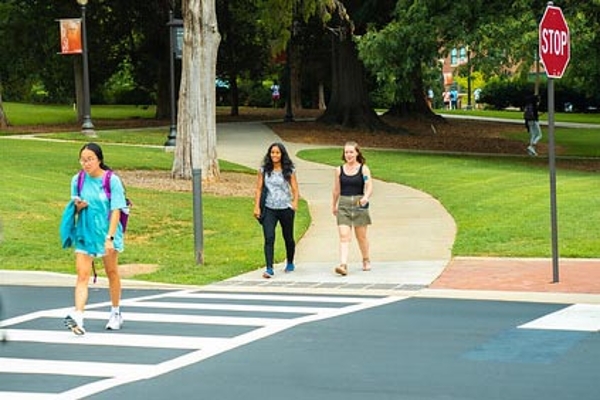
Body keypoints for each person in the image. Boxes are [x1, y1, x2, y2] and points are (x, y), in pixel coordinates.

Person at [60, 143, 128, 335]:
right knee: (82, 274)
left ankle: (116, 312)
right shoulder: (78, 179)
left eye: (89, 159)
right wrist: (78, 206)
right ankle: (78, 316)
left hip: (107, 232)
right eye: (83, 159)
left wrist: (110, 237)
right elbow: (74, 205)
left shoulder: (111, 180)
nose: (86, 163)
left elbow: (116, 209)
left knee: (111, 271)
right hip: (85, 232)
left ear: (99, 159)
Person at [254, 142, 299, 279]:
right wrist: (256, 206)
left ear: (282, 154)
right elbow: (259, 189)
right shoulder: (264, 170)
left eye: (277, 153)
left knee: (288, 237)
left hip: (285, 207)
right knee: (269, 237)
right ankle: (269, 268)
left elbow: (295, 188)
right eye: (272, 152)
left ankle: (290, 261)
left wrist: (294, 203)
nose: (274, 155)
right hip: (269, 208)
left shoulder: (289, 169)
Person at [332, 141, 373, 276]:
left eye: (351, 152)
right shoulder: (339, 170)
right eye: (346, 152)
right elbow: (336, 189)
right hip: (344, 204)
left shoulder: (363, 169)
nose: (348, 154)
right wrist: (334, 204)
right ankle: (343, 264)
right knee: (344, 236)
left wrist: (366, 197)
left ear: (357, 153)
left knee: (361, 236)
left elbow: (369, 185)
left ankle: (366, 259)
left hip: (359, 204)